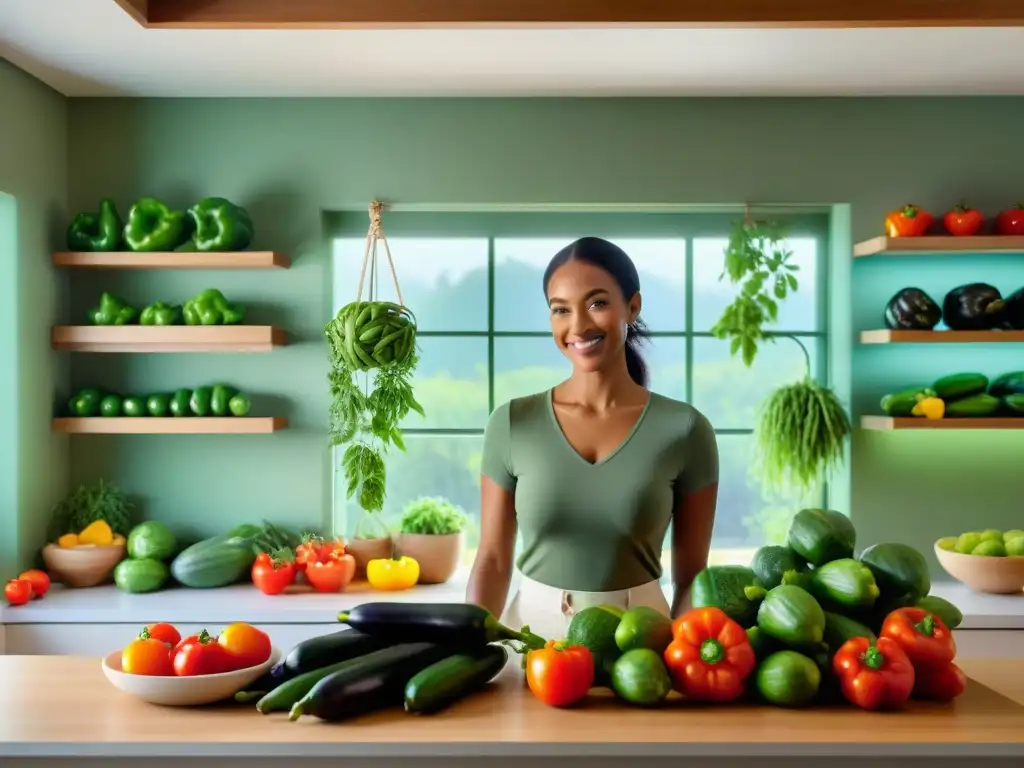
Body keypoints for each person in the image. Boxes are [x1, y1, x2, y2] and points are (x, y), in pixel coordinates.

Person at [465, 236, 720, 641]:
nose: (578, 325)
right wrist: (467, 648)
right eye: (560, 310)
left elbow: (692, 579)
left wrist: (684, 657)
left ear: (632, 307)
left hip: (641, 644)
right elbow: (493, 561)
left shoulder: (686, 430)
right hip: (528, 640)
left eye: (597, 303)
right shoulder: (512, 424)